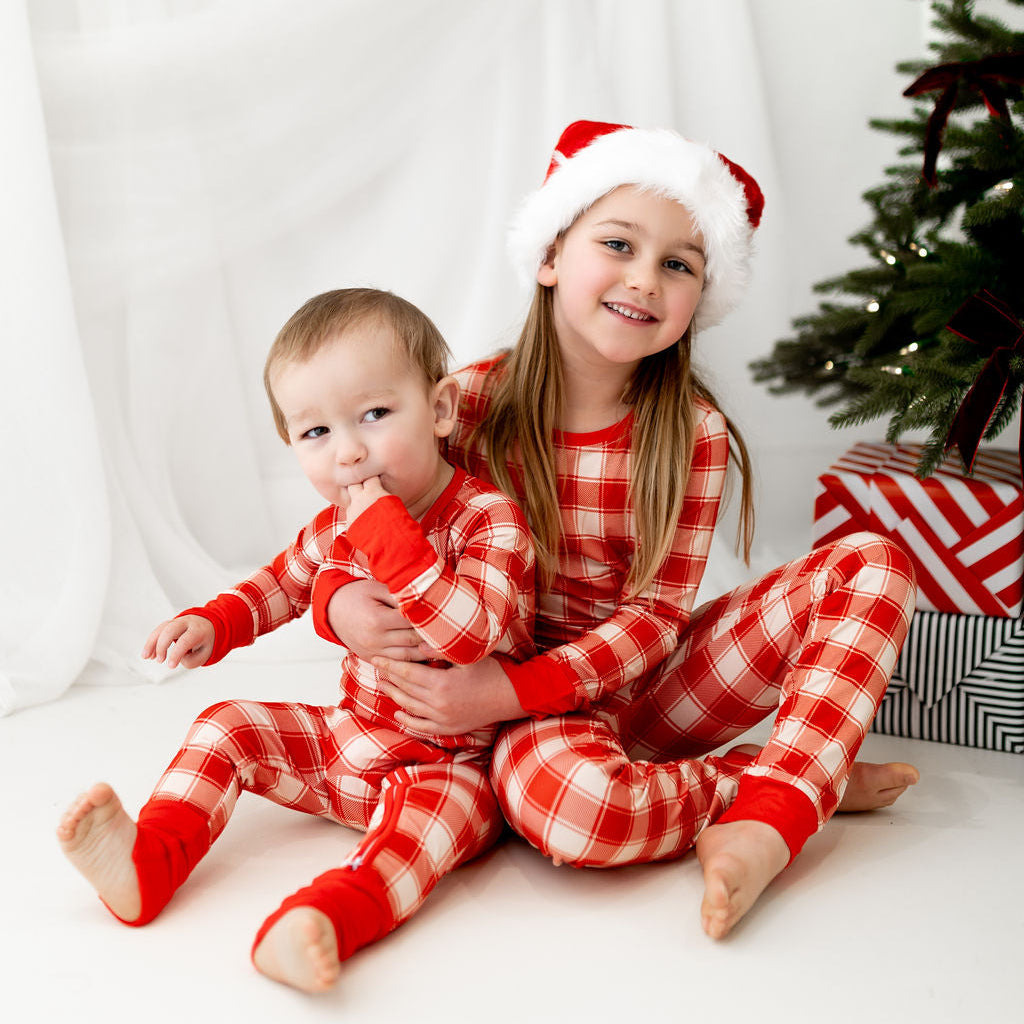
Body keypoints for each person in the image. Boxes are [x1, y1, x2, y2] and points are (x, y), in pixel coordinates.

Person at [314, 121, 920, 942]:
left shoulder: (691, 432)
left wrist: (513, 688)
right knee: (577, 812)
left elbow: (658, 619)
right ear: (551, 255)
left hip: (643, 690)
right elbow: (353, 520)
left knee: (874, 564)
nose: (645, 279)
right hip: (515, 721)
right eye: (619, 245)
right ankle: (765, 777)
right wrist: (338, 601)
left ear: (698, 299)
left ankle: (773, 817)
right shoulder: (463, 403)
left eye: (678, 264)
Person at [56, 288, 535, 993]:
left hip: (453, 766)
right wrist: (214, 624)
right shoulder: (336, 523)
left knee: (414, 841)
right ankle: (148, 862)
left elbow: (466, 635)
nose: (348, 452)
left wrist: (385, 534)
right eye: (316, 433)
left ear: (437, 411)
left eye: (374, 414)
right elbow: (280, 585)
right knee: (228, 725)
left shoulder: (486, 519)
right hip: (349, 742)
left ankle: (323, 921)